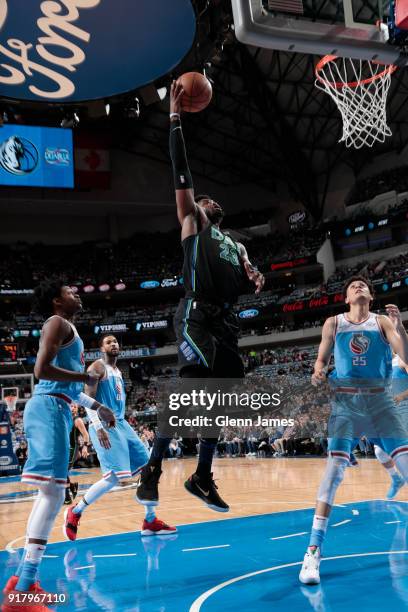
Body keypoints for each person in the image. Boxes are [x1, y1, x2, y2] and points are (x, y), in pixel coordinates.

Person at [136, 80, 264, 513]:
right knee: (190, 391)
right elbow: (180, 169)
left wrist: (254, 278)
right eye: (203, 197)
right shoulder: (193, 222)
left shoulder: (236, 244)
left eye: (210, 199)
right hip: (196, 315)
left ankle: (202, 476)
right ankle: (152, 469)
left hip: (226, 322)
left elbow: (245, 280)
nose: (208, 200)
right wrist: (174, 118)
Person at [2, 280, 115, 612]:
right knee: (51, 495)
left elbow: (64, 386)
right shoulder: (56, 323)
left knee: (50, 494)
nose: (77, 293)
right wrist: (88, 377)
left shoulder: (68, 329)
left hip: (59, 406)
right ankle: (22, 591)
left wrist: (98, 407)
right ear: (56, 301)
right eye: (70, 292)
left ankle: (24, 584)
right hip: (49, 408)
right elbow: (41, 371)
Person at [299, 276, 408, 585]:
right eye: (353, 286)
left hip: (381, 404)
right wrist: (318, 372)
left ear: (370, 296)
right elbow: (320, 360)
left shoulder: (383, 322)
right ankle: (312, 552)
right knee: (333, 475)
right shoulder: (333, 323)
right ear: (347, 298)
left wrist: (400, 327)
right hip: (347, 405)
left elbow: (406, 355)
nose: (358, 286)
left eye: (363, 285)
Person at [64, 335, 176, 540]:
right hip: (104, 425)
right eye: (108, 342)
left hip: (121, 423)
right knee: (113, 478)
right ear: (101, 349)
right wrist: (97, 427)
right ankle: (75, 511)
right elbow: (88, 399)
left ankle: (150, 521)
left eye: (116, 341)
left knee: (149, 469)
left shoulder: (117, 370)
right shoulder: (97, 367)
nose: (114, 344)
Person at [64, 403, 90, 505]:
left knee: (63, 472)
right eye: (71, 406)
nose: (73, 408)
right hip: (64, 448)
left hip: (72, 449)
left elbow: (85, 434)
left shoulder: (78, 420)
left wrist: (85, 446)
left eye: (75, 407)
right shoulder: (65, 419)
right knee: (61, 472)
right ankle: (72, 486)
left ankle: (67, 498)